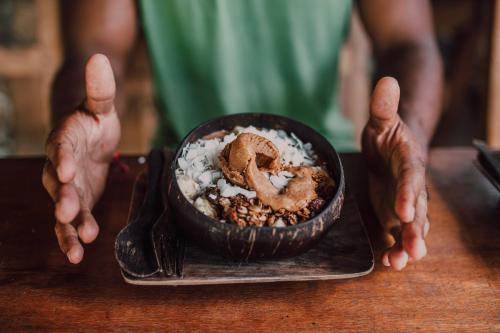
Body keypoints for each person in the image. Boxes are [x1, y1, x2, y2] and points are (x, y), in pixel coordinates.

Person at [42, 0, 442, 270]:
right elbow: (94, 46)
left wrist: (404, 142)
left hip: (334, 173)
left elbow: (408, 40)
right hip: (179, 183)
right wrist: (82, 119)